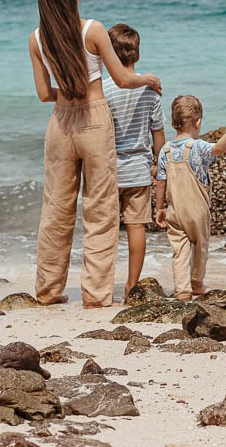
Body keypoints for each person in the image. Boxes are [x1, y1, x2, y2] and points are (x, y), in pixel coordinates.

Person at [28, 0, 162, 308]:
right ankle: (97, 295)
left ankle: (47, 290)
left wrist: (67, 92)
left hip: (60, 126)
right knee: (99, 210)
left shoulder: (37, 39)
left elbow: (44, 94)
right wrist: (148, 78)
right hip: (94, 121)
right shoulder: (93, 29)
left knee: (56, 209)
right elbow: (121, 79)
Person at [154, 95, 226, 300]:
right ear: (197, 122)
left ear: (173, 122)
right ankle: (196, 283)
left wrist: (159, 208)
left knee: (179, 250)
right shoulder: (198, 147)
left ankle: (182, 289)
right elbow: (219, 149)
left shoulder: (165, 151)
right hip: (197, 209)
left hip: (174, 209)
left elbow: (160, 181)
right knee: (200, 246)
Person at [101, 23, 167, 295]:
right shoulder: (150, 90)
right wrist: (157, 165)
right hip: (138, 169)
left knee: (104, 229)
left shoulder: (103, 90)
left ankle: (101, 285)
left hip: (108, 169)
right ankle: (131, 285)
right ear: (137, 56)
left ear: (108, 56)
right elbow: (158, 134)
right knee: (136, 226)